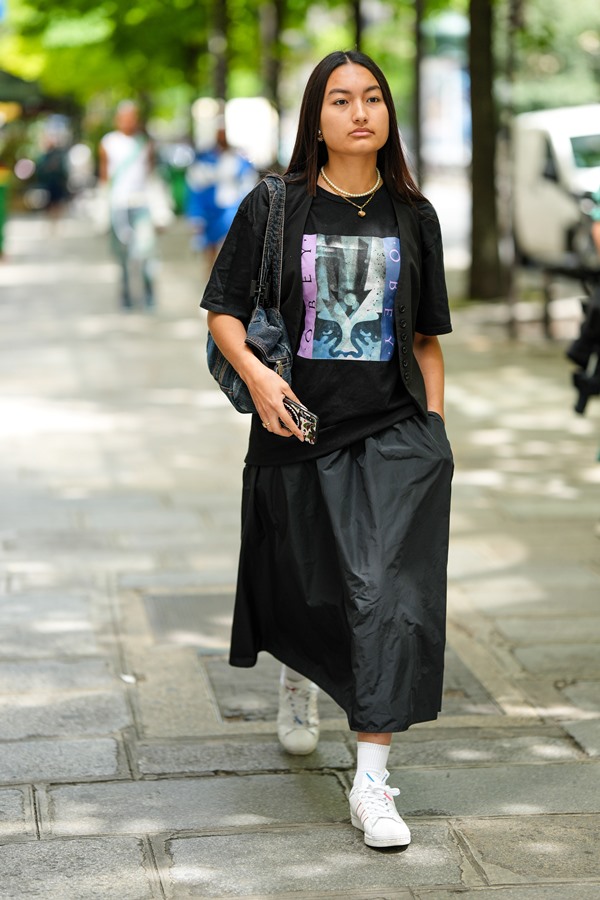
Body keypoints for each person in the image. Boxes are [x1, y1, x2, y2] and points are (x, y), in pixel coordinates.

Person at [201, 50, 453, 851]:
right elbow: (223, 312)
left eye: (372, 97)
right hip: (299, 429)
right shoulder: (276, 205)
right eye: (340, 100)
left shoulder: (415, 215)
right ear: (316, 116)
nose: (359, 112)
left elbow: (426, 340)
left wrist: (434, 436)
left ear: (387, 114)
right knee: (315, 586)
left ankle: (371, 782)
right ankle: (301, 674)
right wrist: (260, 381)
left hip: (393, 434)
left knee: (385, 597)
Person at [99, 101, 157, 310]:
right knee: (122, 254)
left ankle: (149, 293)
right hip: (118, 205)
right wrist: (103, 210)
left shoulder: (145, 143)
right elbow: (104, 178)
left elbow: (152, 176)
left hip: (141, 204)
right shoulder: (108, 142)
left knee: (145, 251)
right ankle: (125, 295)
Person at [185, 124, 257, 267]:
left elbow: (248, 182)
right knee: (210, 246)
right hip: (211, 210)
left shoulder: (238, 159)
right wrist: (196, 215)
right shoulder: (205, 159)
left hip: (231, 208)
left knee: (231, 245)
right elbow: (196, 186)